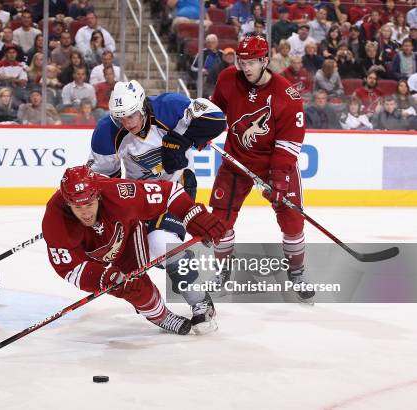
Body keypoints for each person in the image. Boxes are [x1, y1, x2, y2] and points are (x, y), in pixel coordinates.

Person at [88, 80, 226, 330]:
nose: (128, 123)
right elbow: (103, 177)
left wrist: (181, 138)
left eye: (132, 115)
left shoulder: (169, 106)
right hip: (140, 195)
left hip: (177, 187)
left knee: (162, 243)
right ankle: (161, 299)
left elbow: (217, 117)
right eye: (121, 118)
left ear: (143, 105)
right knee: (139, 253)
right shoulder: (106, 132)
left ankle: (200, 302)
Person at [42, 166, 227, 335]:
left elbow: (170, 192)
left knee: (163, 244)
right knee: (133, 289)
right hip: (93, 256)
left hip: (128, 235)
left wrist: (194, 215)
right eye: (77, 207)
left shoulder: (118, 193)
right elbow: (70, 268)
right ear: (67, 204)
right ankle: (160, 316)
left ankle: (199, 300)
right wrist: (105, 278)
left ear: (97, 195)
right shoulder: (55, 219)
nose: (86, 213)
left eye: (89, 204)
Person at [208, 34, 315, 301]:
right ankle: (222, 270)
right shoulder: (227, 79)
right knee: (220, 221)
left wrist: (278, 180)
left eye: (252, 62)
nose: (245, 67)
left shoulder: (288, 96)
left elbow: (289, 144)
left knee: (292, 221)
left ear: (265, 60)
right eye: (242, 61)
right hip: (236, 161)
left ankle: (297, 271)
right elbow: (214, 112)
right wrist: (200, 131)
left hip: (273, 165)